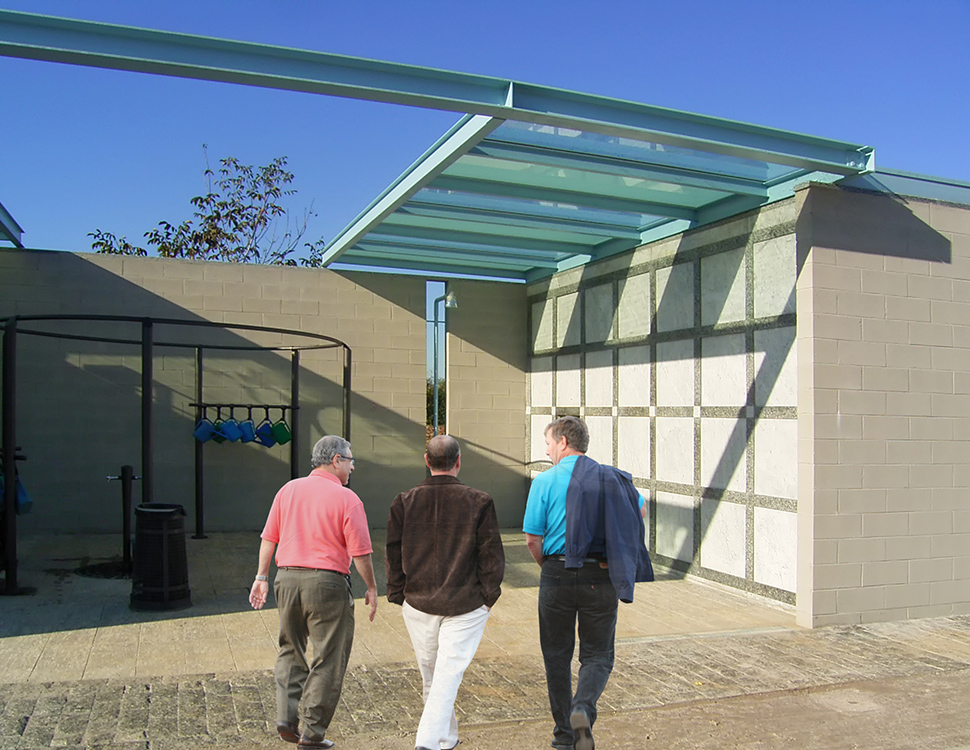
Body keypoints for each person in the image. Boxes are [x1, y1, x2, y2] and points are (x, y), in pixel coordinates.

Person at [523, 416, 652, 750]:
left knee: (556, 654)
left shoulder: (545, 481)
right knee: (597, 654)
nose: (547, 449)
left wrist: (549, 567)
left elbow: (532, 540)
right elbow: (640, 510)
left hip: (556, 575)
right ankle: (583, 707)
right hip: (601, 576)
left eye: (549, 442)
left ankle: (565, 736)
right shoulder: (613, 479)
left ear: (564, 441)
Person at [250, 435, 378, 750]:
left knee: (289, 649)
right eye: (350, 460)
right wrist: (372, 587)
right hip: (327, 584)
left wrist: (261, 577)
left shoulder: (288, 490)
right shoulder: (348, 498)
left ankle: (285, 717)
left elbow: (269, 537)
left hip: (287, 580)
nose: (351, 467)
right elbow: (360, 552)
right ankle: (311, 733)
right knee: (329, 658)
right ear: (336, 459)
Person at [385, 435, 505, 750]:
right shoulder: (480, 501)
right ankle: (430, 741)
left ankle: (443, 738)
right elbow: (490, 554)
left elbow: (392, 551)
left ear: (427, 461)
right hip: (465, 604)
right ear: (458, 461)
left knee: (434, 674)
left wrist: (398, 592)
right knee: (445, 674)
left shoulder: (404, 500)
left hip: (419, 601)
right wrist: (489, 596)